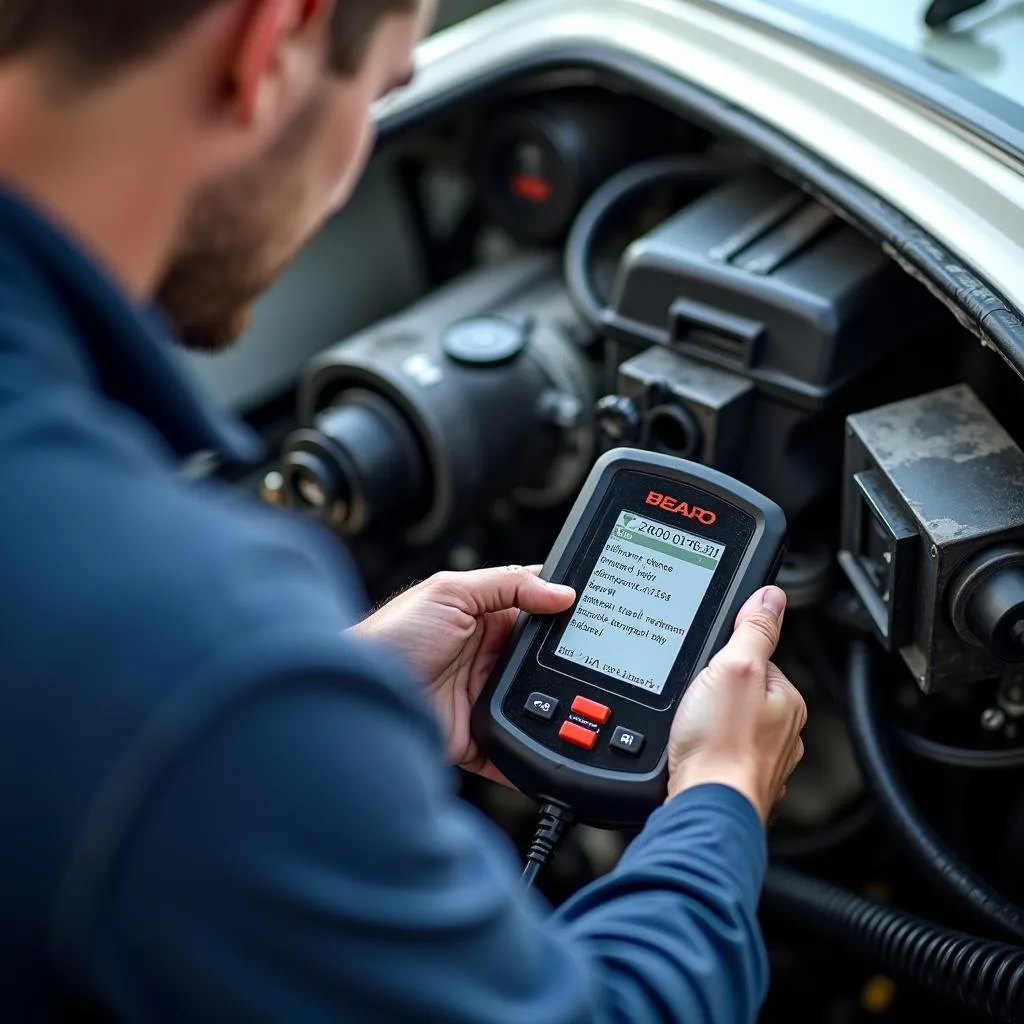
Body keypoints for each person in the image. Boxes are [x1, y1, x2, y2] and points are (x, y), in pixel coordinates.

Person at [0, 1, 807, 1021]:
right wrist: (718, 799)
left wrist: (327, 710)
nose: (352, 168)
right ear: (273, 43)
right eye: (379, 95)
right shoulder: (193, 644)